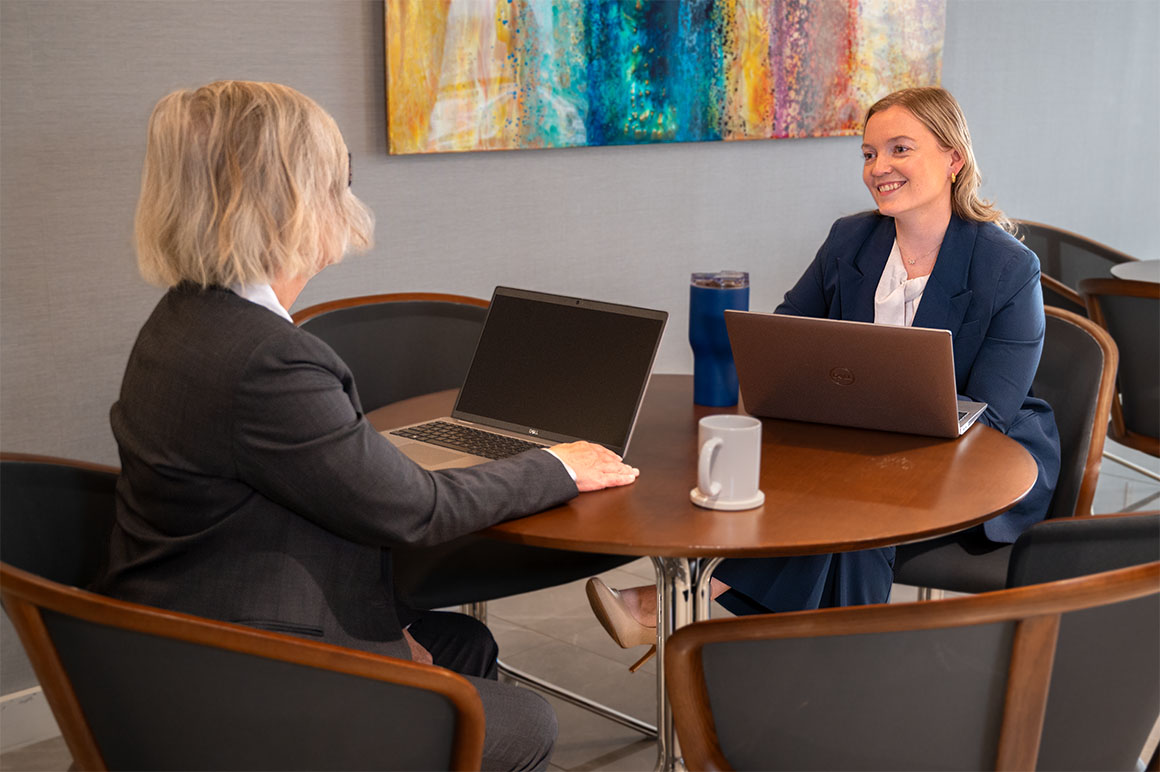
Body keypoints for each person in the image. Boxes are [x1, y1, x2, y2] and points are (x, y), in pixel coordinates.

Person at [92, 80, 641, 772]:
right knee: (525, 723)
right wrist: (558, 466)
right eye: (337, 175)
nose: (347, 194)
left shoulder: (183, 320)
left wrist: (385, 630)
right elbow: (414, 509)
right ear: (288, 197)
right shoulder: (267, 360)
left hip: (172, 635)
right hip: (241, 672)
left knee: (463, 648)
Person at [587, 86, 1061, 662]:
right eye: (868, 154)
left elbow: (994, 407)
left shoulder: (1008, 266)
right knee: (817, 496)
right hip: (859, 443)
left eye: (899, 149)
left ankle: (692, 598)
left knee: (854, 519)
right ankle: (818, 686)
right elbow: (788, 334)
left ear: (953, 158)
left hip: (983, 457)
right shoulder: (850, 239)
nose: (878, 167)